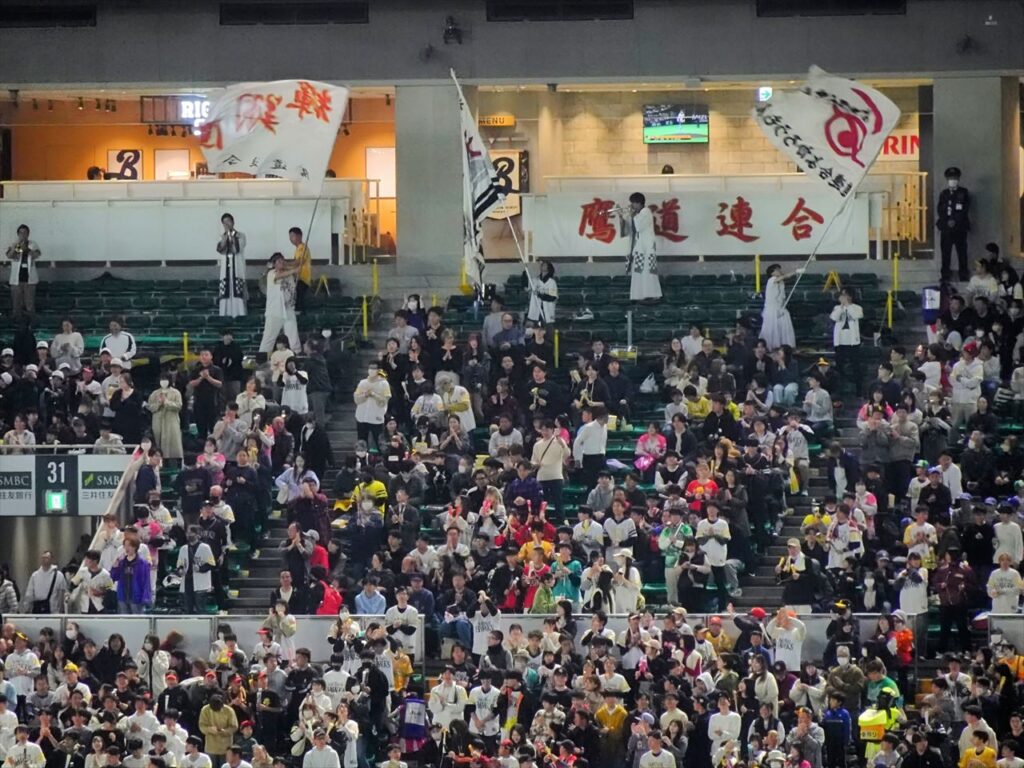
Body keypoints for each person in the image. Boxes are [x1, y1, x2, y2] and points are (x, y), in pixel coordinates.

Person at [618, 192, 662, 303]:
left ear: (639, 203)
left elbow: (638, 227)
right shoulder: (639, 214)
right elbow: (629, 229)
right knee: (638, 271)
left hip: (647, 247)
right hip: (640, 247)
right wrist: (622, 218)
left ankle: (652, 294)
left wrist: (632, 215)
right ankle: (639, 295)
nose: (632, 205)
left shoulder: (646, 212)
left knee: (648, 271)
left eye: (633, 203)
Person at [259, 253, 300, 353]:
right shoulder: (271, 273)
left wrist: (294, 269)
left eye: (282, 260)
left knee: (293, 336)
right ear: (274, 264)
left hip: (288, 309)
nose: (281, 262)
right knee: (269, 337)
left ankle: (296, 354)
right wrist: (294, 270)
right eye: (278, 261)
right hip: (275, 311)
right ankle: (263, 356)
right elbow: (278, 276)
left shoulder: (289, 275)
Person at [937, 166, 971, 282]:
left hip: (960, 228)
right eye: (950, 178)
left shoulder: (963, 192)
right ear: (947, 179)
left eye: (955, 178)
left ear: (958, 179)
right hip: (946, 229)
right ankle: (945, 275)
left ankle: (963, 274)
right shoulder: (944, 193)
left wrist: (955, 220)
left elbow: (965, 209)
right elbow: (940, 210)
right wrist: (946, 221)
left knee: (962, 252)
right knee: (946, 253)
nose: (953, 180)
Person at [5, 224, 41, 323]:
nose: (23, 234)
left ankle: (31, 324)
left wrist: (27, 249)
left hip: (29, 280)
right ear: (18, 234)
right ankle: (16, 324)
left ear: (28, 234)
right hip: (16, 280)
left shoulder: (33, 244)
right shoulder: (14, 244)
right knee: (16, 304)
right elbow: (10, 255)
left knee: (30, 304)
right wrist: (17, 246)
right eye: (21, 233)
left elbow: (37, 254)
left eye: (25, 232)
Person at [760, 264, 799, 351]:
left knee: (784, 329)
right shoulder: (771, 280)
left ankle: (786, 348)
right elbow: (785, 276)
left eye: (779, 269)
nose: (780, 271)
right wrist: (796, 271)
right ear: (772, 273)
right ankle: (771, 348)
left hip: (781, 308)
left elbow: (782, 296)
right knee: (772, 329)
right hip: (772, 310)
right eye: (777, 270)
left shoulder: (781, 282)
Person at [216, 213, 247, 318]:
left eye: (228, 221)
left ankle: (240, 314)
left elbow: (237, 249)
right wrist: (225, 238)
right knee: (226, 290)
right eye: (224, 223)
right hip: (225, 271)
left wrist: (232, 235)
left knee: (238, 290)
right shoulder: (222, 237)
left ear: (233, 222)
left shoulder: (241, 236)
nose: (226, 224)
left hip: (237, 269)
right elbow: (220, 249)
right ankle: (224, 315)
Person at [148, 375, 184, 462]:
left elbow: (179, 406)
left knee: (172, 443)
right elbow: (150, 407)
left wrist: (166, 402)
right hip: (158, 421)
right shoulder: (155, 393)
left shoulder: (176, 393)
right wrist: (159, 403)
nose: (163, 381)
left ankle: (174, 462)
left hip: (171, 421)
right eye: (162, 379)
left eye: (165, 379)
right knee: (158, 442)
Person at [353, 362, 391, 445]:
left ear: (378, 370)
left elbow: (384, 401)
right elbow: (356, 399)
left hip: (376, 418)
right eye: (370, 368)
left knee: (379, 443)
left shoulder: (384, 384)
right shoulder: (362, 383)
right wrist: (365, 395)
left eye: (374, 368)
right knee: (362, 442)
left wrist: (373, 394)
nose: (371, 370)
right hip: (362, 417)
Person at [526, 260, 558, 326]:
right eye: (542, 264)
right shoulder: (535, 280)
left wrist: (540, 295)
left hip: (547, 311)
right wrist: (525, 272)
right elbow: (526, 288)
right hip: (536, 310)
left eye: (545, 265)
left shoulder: (552, 282)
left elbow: (552, 297)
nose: (542, 265)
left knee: (547, 328)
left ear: (549, 268)